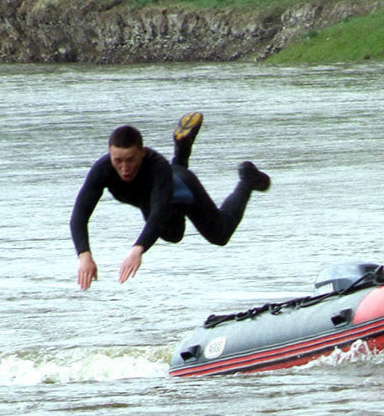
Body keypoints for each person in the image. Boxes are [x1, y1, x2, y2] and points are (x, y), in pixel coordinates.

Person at [70, 112, 270, 289]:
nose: (124, 167)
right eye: (118, 160)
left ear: (143, 152)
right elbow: (79, 215)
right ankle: (182, 147)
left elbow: (160, 211)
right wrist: (84, 255)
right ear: (110, 154)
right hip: (153, 197)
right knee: (173, 234)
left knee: (219, 235)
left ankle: (247, 180)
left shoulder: (157, 165)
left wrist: (137, 249)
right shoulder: (102, 169)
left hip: (182, 190)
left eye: (130, 159)